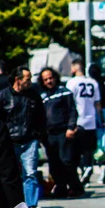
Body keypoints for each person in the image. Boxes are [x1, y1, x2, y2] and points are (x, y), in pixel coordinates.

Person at [0, 67, 46, 208]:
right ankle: (13, 207)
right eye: (27, 78)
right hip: (9, 142)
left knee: (31, 173)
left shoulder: (34, 95)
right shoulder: (2, 96)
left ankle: (31, 207)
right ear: (18, 79)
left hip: (30, 141)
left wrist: (38, 135)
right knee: (10, 175)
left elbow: (42, 116)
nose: (30, 81)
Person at [39, 67, 84, 198]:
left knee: (66, 161)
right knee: (54, 163)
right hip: (49, 135)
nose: (48, 81)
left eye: (50, 78)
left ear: (55, 77)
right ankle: (61, 187)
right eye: (45, 79)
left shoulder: (64, 92)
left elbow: (72, 111)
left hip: (64, 132)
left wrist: (71, 127)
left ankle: (76, 188)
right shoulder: (43, 96)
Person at [66, 59, 104, 186]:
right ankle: (88, 168)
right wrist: (101, 119)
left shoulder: (71, 83)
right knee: (89, 149)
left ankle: (82, 171)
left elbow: (68, 103)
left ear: (75, 68)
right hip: (91, 120)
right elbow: (97, 104)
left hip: (77, 120)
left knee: (76, 149)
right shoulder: (93, 82)